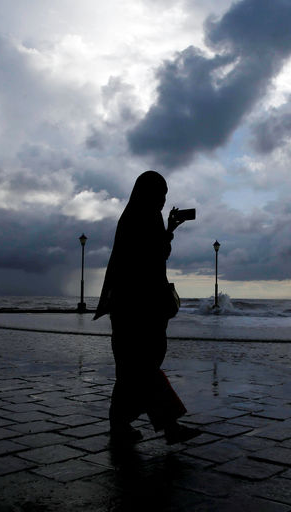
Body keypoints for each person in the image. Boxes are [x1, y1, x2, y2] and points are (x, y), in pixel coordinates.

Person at [94, 170, 201, 445]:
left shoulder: (130, 216)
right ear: (151, 194)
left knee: (132, 370)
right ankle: (170, 426)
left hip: (126, 306)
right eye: (161, 194)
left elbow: (148, 254)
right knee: (143, 367)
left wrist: (167, 230)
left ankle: (120, 425)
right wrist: (168, 232)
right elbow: (155, 257)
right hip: (140, 308)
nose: (164, 200)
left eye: (165, 195)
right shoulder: (147, 216)